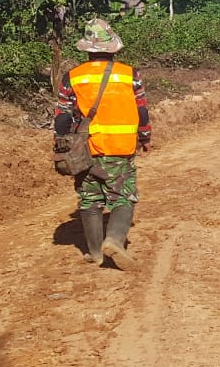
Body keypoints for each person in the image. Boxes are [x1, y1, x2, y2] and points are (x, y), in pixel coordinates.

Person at [54, 18, 151, 267]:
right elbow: (141, 111)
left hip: (86, 148)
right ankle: (115, 240)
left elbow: (62, 117)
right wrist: (145, 137)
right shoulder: (130, 74)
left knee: (89, 199)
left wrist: (63, 146)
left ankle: (95, 252)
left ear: (86, 49)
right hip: (121, 146)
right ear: (112, 48)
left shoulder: (72, 77)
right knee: (123, 196)